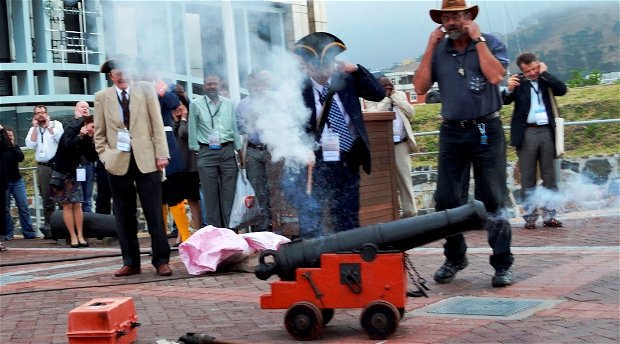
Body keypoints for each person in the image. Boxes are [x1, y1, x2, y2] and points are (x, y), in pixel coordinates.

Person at [413, 0, 514, 287]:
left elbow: (495, 75)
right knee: (445, 200)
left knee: (493, 198)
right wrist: (430, 47)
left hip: (486, 129)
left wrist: (477, 39)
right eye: (447, 17)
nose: (451, 22)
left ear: (469, 17)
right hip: (453, 132)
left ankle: (502, 264)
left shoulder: (489, 42)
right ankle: (455, 257)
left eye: (457, 16)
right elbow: (420, 87)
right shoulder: (439, 49)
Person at [283, 32, 384, 238]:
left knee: (347, 215)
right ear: (305, 65)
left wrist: (356, 69)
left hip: (349, 157)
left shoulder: (348, 80)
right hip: (316, 161)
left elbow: (378, 94)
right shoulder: (297, 89)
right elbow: (289, 125)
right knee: (312, 215)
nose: (322, 71)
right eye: (316, 66)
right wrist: (302, 150)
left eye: (327, 65)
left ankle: (349, 258)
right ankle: (315, 263)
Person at [94, 57, 172, 277]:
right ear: (111, 77)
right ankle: (130, 261)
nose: (121, 76)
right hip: (117, 162)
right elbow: (98, 132)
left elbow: (157, 123)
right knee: (123, 214)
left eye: (124, 71)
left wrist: (161, 154)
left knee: (154, 212)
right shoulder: (102, 98)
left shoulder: (145, 90)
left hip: (147, 159)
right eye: (117, 73)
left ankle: (161, 260)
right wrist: (105, 156)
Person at [503, 53, 567, 229]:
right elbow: (505, 101)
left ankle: (550, 215)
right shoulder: (518, 82)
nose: (532, 73)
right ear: (521, 70)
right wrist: (508, 89)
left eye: (534, 68)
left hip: (547, 131)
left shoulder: (546, 79)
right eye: (527, 70)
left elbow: (562, 89)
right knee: (528, 177)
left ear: (539, 65)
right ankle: (530, 216)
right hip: (527, 132)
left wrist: (545, 74)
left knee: (549, 176)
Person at [188, 73, 242, 230]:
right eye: (209, 84)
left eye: (215, 84)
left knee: (229, 194)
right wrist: (197, 149)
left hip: (227, 150)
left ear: (219, 85)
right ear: (204, 85)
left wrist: (238, 149)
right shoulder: (196, 104)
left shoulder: (229, 104)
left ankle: (231, 231)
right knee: (210, 195)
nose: (212, 86)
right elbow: (193, 128)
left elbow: (234, 127)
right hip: (206, 151)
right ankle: (215, 232)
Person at [365, 76, 419, 218]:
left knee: (405, 179)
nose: (388, 89)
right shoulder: (371, 98)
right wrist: (386, 99)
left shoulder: (399, 95)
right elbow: (375, 115)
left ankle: (410, 212)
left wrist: (395, 97)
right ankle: (389, 214)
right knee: (384, 181)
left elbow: (411, 112)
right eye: (385, 87)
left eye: (390, 86)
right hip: (382, 145)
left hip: (400, 144)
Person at [48, 115, 98, 248]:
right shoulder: (73, 127)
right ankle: (73, 236)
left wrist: (93, 141)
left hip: (76, 171)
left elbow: (91, 157)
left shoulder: (90, 136)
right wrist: (80, 136)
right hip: (63, 171)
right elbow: (67, 145)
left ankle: (81, 235)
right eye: (92, 127)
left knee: (77, 204)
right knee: (67, 204)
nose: (93, 130)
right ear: (86, 123)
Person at [235, 71, 274, 232]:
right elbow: (238, 128)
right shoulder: (242, 105)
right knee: (258, 190)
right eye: (252, 85)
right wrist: (249, 121)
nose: (255, 88)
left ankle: (278, 225)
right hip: (253, 150)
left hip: (272, 149)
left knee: (275, 188)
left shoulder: (273, 101)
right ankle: (262, 229)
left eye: (258, 84)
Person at [25, 105, 64, 239]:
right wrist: (36, 128)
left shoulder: (56, 124)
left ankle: (63, 228)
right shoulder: (33, 129)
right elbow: (30, 145)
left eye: (43, 112)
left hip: (57, 165)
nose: (41, 115)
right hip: (43, 167)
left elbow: (60, 139)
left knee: (61, 197)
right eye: (38, 113)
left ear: (47, 114)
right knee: (47, 198)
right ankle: (49, 228)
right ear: (34, 116)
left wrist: (48, 126)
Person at [172, 84, 202, 238]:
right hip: (177, 164)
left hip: (191, 164)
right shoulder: (171, 117)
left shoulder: (191, 115)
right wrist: (177, 120)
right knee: (178, 199)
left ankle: (197, 228)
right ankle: (181, 233)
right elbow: (172, 134)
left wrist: (183, 118)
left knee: (193, 198)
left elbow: (185, 134)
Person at [3, 126, 37, 240]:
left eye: (11, 136)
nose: (10, 138)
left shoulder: (15, 147)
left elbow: (20, 158)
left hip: (17, 180)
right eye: (7, 136)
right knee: (5, 209)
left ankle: (28, 232)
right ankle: (8, 233)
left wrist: (12, 146)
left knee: (23, 206)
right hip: (5, 182)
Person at [72, 101, 95, 213]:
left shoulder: (92, 126)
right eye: (82, 107)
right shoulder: (71, 125)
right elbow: (69, 144)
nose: (85, 109)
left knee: (87, 199)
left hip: (89, 165)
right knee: (76, 200)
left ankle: (89, 225)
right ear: (76, 110)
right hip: (76, 166)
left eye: (87, 107)